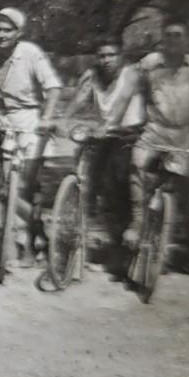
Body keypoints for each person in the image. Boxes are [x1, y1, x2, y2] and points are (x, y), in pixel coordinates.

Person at [105, 18, 189, 277]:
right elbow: (126, 92)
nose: (172, 40)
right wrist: (113, 121)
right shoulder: (149, 63)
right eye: (167, 35)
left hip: (185, 134)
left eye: (178, 35)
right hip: (155, 129)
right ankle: (135, 224)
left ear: (187, 40)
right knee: (137, 165)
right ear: (161, 40)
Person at [0, 7, 62, 262]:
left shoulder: (30, 53)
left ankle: (34, 240)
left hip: (32, 120)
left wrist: (47, 118)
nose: (1, 34)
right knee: (8, 185)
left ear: (18, 32)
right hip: (8, 122)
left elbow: (54, 87)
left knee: (26, 186)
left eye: (8, 30)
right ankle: (34, 235)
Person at [57, 36, 143, 272]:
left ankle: (122, 249)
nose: (105, 60)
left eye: (111, 55)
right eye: (101, 55)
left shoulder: (130, 74)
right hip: (101, 135)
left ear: (120, 56)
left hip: (127, 134)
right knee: (86, 180)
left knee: (119, 187)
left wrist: (110, 124)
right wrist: (63, 121)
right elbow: (80, 98)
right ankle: (76, 242)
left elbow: (122, 101)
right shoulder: (91, 75)